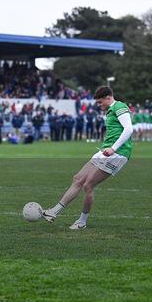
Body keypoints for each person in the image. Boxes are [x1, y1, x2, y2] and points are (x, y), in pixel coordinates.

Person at [42, 86, 133, 230]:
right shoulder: (110, 111)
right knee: (78, 178)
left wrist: (113, 148)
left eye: (100, 102)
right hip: (105, 152)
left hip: (118, 153)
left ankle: (82, 222)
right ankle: (54, 212)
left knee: (88, 185)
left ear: (108, 97)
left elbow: (129, 129)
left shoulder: (119, 106)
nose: (99, 105)